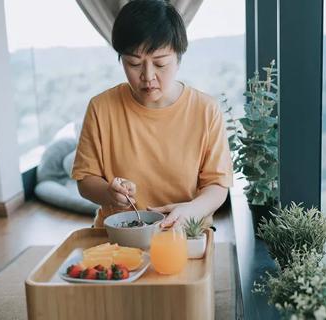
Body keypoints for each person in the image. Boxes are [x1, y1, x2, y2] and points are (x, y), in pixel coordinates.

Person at [72, 0, 233, 228]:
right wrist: (109, 193)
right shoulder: (101, 107)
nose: (148, 76)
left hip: (184, 233)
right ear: (121, 59)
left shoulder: (205, 110)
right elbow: (85, 180)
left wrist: (192, 210)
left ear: (178, 58)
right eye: (134, 63)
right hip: (118, 235)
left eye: (160, 64)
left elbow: (218, 186)